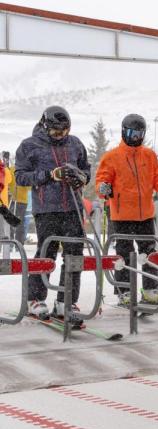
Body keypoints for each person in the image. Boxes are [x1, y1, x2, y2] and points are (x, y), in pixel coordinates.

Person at [14, 106, 91, 325]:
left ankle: (66, 301)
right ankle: (35, 298)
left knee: (74, 256)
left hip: (73, 207)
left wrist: (82, 178)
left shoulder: (75, 143)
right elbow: (21, 177)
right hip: (47, 208)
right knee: (47, 253)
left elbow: (86, 169)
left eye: (65, 131)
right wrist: (50, 175)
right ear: (45, 126)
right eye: (57, 132)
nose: (62, 136)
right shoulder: (30, 145)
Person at [96, 114, 158, 306]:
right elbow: (102, 180)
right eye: (132, 133)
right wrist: (103, 188)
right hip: (121, 215)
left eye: (139, 134)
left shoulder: (149, 155)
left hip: (145, 215)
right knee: (123, 253)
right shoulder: (112, 157)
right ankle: (124, 290)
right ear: (124, 132)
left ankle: (150, 289)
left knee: (149, 253)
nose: (136, 138)